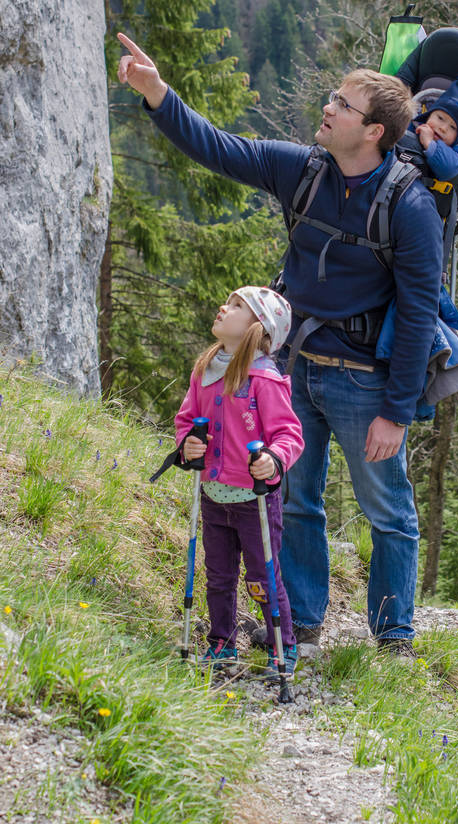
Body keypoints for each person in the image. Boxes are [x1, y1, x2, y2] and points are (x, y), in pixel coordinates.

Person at [117, 31, 443, 656]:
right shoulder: (304, 170)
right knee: (291, 497)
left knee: (386, 509)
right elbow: (221, 148)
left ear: (373, 131)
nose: (329, 107)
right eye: (333, 97)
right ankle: (303, 621)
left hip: (362, 379)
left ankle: (394, 634)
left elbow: (421, 311)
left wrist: (397, 412)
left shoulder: (409, 207)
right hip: (289, 371)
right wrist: (157, 93)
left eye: (343, 105)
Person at [175, 286, 304, 676]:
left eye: (236, 307)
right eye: (228, 303)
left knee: (263, 575)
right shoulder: (206, 371)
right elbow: (186, 421)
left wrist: (273, 459)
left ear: (257, 328)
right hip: (213, 494)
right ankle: (221, 643)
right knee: (219, 575)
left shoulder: (264, 380)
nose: (223, 308)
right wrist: (188, 446)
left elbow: (289, 434)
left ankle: (282, 645)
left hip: (256, 500)